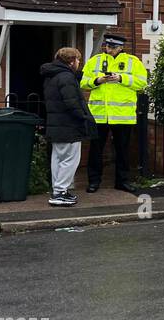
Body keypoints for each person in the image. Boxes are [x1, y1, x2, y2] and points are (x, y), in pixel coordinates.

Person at [81, 33, 148, 193]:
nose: (109, 49)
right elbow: (84, 83)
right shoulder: (94, 61)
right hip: (99, 115)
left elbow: (142, 83)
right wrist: (98, 81)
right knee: (96, 150)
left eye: (113, 47)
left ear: (121, 47)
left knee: (122, 151)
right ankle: (94, 182)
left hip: (122, 116)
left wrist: (121, 78)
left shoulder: (133, 62)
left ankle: (122, 181)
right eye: (107, 46)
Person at [41, 47, 97, 207]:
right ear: (71, 61)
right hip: (68, 125)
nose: (79, 63)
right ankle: (60, 192)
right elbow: (71, 102)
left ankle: (58, 190)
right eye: (78, 60)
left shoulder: (52, 75)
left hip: (57, 123)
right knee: (70, 159)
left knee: (58, 158)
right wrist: (83, 116)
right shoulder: (66, 77)